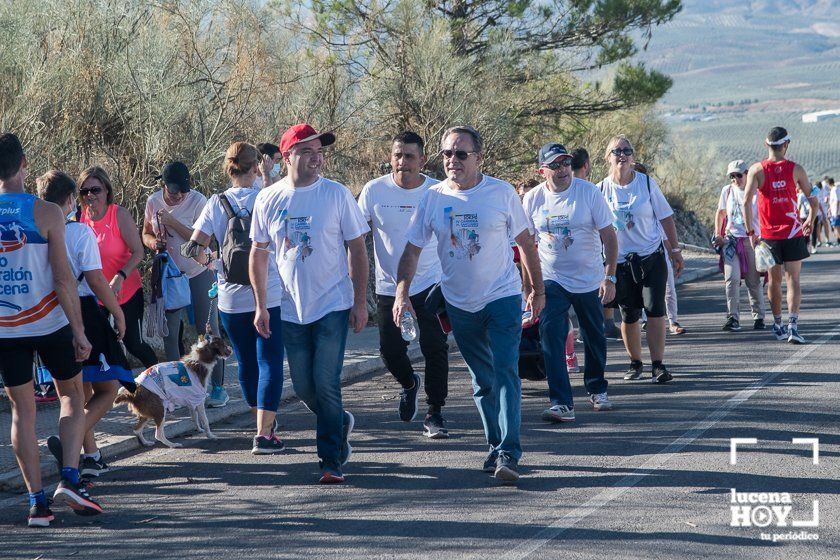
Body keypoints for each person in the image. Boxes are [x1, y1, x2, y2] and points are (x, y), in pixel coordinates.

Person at [395, 125, 545, 483]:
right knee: (482, 380)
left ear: (479, 158)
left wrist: (537, 290)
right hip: (460, 305)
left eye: (461, 154)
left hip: (502, 297)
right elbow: (412, 249)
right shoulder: (433, 198)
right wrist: (402, 293)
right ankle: (495, 446)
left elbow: (525, 242)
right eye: (447, 153)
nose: (453, 160)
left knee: (507, 371)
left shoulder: (501, 193)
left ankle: (509, 449)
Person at [250, 123, 370, 484]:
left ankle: (330, 459)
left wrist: (360, 301)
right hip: (290, 309)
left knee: (326, 381)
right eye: (307, 151)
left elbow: (358, 249)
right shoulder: (268, 199)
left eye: (320, 151)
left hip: (333, 302)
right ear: (287, 157)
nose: (317, 157)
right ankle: (337, 421)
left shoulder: (335, 194)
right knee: (303, 386)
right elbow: (257, 253)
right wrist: (260, 305)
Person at [0, 133, 100, 526]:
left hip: (7, 329)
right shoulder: (46, 213)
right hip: (50, 322)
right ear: (24, 163)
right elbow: (63, 278)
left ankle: (36, 504)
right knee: (72, 396)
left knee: (21, 412)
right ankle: (71, 478)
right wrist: (79, 330)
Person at [187, 142, 286, 453]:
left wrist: (213, 263)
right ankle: (264, 432)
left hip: (231, 297)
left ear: (228, 168)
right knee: (269, 361)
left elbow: (193, 247)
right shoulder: (266, 198)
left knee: (246, 362)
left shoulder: (216, 203)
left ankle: (261, 420)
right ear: (256, 166)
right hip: (268, 293)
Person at [37, 170, 133, 479]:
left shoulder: (34, 232)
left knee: (76, 390)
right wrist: (117, 312)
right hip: (83, 311)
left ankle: (91, 455)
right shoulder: (78, 232)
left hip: (47, 315)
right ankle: (71, 444)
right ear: (69, 200)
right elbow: (94, 278)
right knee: (108, 386)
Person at [358, 132, 450, 438]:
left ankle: (435, 411)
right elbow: (356, 237)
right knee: (391, 352)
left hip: (431, 283)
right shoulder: (373, 191)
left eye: (409, 156)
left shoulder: (438, 191)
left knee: (435, 347)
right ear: (390, 158)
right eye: (397, 155)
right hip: (389, 286)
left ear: (422, 160)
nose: (402, 162)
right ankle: (410, 383)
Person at [522, 142, 618, 422]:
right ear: (542, 171)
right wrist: (530, 287)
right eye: (554, 165)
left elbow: (610, 237)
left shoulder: (588, 193)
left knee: (593, 336)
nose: (562, 169)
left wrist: (609, 276)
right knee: (550, 335)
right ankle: (562, 403)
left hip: (589, 278)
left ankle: (597, 388)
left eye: (565, 163)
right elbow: (527, 246)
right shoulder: (533, 199)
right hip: (552, 279)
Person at [598, 135, 684, 383]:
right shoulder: (600, 189)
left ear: (633, 156)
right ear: (608, 157)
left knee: (655, 310)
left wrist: (675, 251)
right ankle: (635, 363)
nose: (622, 155)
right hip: (620, 262)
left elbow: (666, 217)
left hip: (651, 257)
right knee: (629, 314)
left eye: (627, 150)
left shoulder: (646, 184)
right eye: (616, 151)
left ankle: (658, 365)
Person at [142, 162, 228, 407]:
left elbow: (203, 238)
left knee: (208, 330)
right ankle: (175, 390)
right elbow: (145, 233)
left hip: (198, 272)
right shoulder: (152, 202)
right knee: (170, 334)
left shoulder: (199, 201)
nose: (179, 194)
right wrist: (152, 244)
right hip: (170, 277)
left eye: (183, 190)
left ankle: (218, 388)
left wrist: (170, 222)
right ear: (163, 185)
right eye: (174, 190)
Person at [743, 127, 817, 344]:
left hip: (768, 235)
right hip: (793, 232)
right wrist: (809, 220)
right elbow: (813, 199)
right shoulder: (796, 170)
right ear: (786, 145)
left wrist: (750, 232)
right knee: (793, 278)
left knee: (773, 281)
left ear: (767, 145)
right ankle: (793, 325)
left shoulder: (757, 170)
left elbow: (745, 201)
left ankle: (778, 324)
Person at [79, 166, 158, 368]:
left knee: (134, 344)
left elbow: (139, 252)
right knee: (104, 345)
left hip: (127, 291)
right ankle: (124, 388)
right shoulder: (81, 219)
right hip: (97, 294)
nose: (90, 195)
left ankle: (160, 382)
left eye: (95, 189)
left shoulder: (119, 215)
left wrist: (120, 276)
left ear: (106, 190)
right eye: (84, 191)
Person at [713, 160, 766, 331]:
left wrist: (763, 237)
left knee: (753, 281)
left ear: (747, 173)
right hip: (731, 240)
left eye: (738, 175)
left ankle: (759, 316)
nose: (735, 179)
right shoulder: (727, 191)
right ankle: (733, 317)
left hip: (751, 241)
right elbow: (721, 213)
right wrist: (718, 233)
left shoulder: (757, 192)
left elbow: (764, 216)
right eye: (732, 176)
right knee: (731, 279)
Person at [634, 162, 685, 336]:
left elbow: (666, 225)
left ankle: (673, 321)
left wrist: (674, 252)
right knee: (642, 289)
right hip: (638, 254)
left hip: (659, 250)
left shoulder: (650, 193)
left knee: (669, 288)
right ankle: (646, 320)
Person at [829, 178, 840, 243]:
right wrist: (830, 208)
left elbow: (837, 200)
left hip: (836, 213)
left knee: (836, 227)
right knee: (835, 227)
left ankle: (839, 241)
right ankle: (838, 240)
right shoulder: (835, 189)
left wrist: (836, 212)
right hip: (835, 212)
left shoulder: (834, 189)